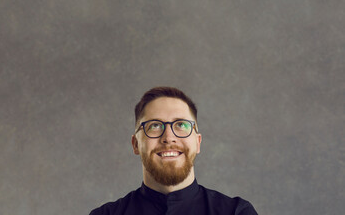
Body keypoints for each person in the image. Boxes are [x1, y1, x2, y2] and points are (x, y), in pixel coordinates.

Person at [90, 87, 258, 215]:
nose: (169, 137)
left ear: (198, 142)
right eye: (154, 125)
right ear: (135, 144)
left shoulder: (236, 212)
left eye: (181, 125)